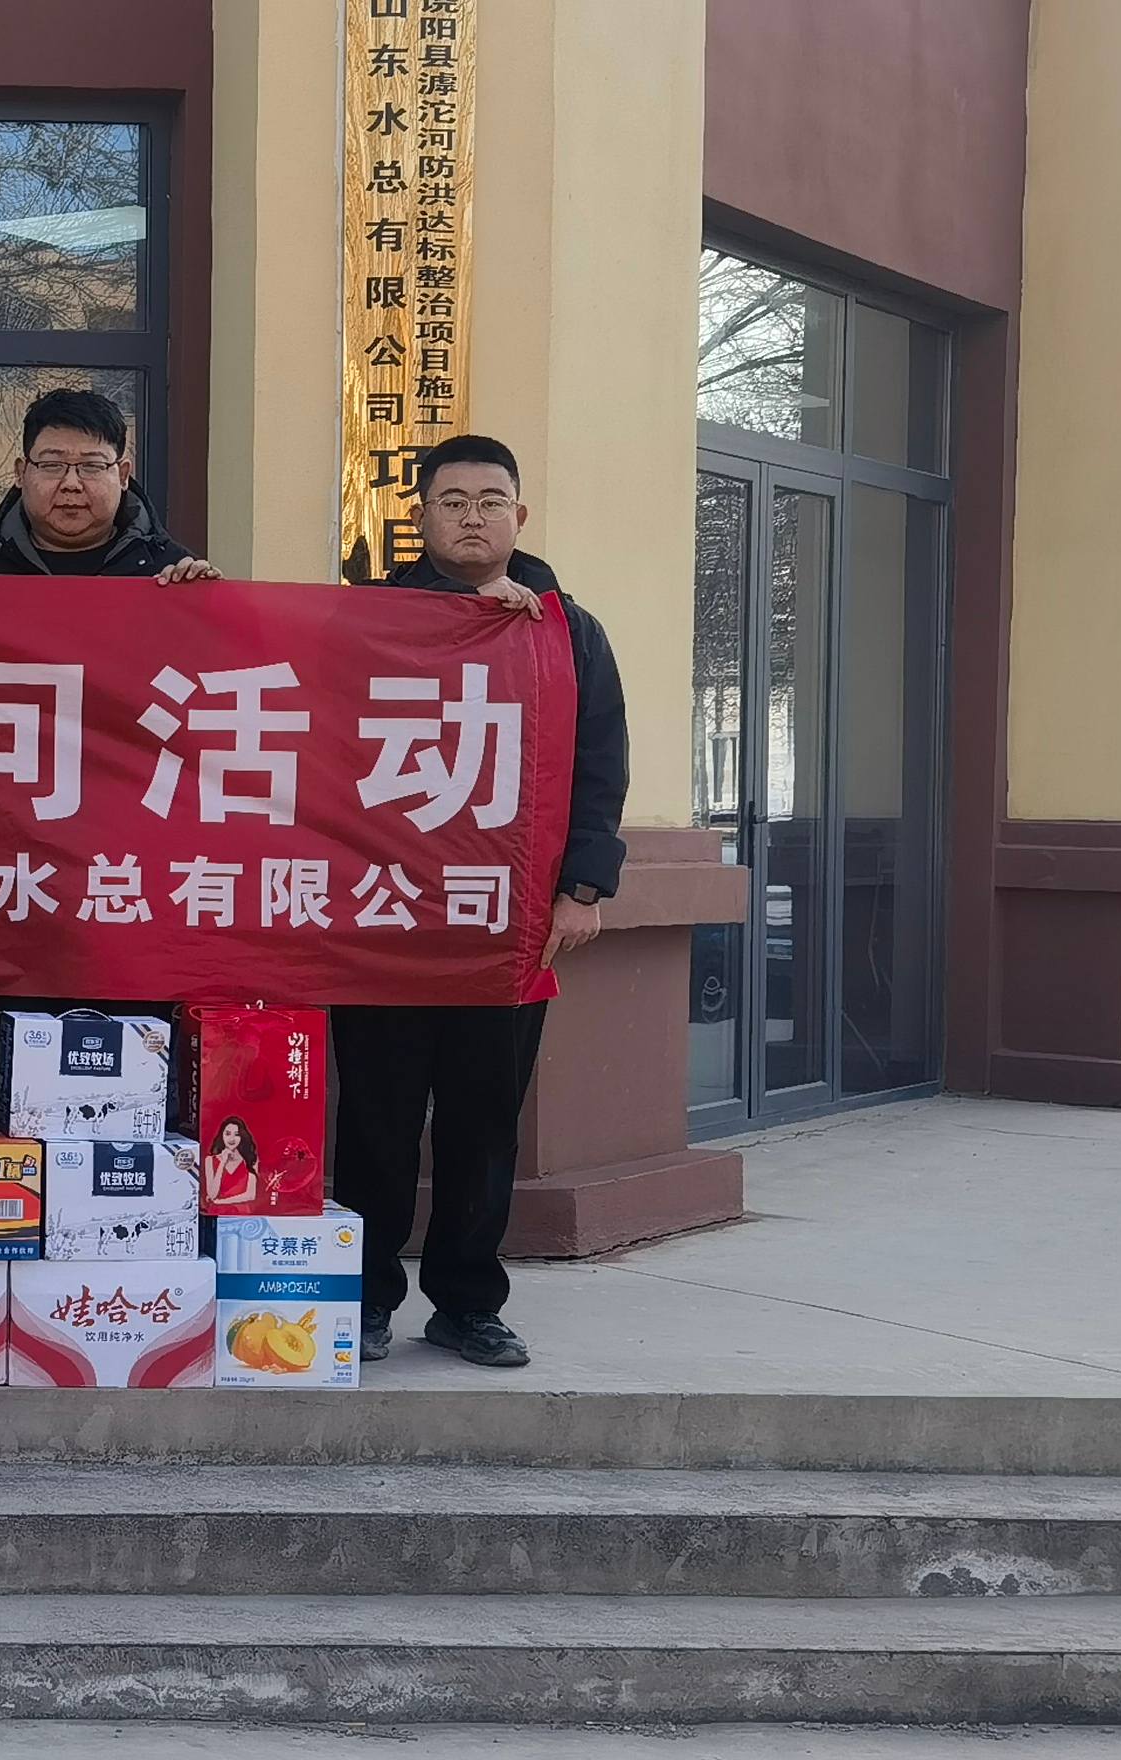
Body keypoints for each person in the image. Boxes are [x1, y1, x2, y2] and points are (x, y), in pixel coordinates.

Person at [330, 433, 628, 1372]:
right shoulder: (371, 618)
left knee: (483, 1120)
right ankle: (365, 1297)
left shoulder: (568, 631)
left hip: (506, 921)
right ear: (420, 517)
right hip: (386, 914)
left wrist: (582, 888)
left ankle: (466, 1304)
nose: (472, 517)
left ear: (519, 516)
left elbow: (600, 762)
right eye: (452, 502)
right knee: (374, 1121)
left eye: (491, 501)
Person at [0, 388, 221, 585]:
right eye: (52, 465)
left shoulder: (169, 573)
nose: (71, 484)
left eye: (92, 466)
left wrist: (203, 599)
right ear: (21, 473)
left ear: (123, 475)